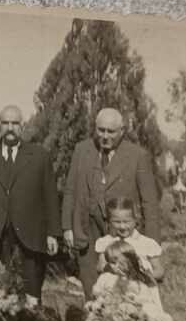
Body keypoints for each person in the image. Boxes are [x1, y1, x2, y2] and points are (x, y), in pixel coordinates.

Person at [61, 107, 162, 299]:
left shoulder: (137, 156)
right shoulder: (82, 150)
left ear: (122, 131)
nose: (104, 136)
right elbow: (70, 191)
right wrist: (67, 226)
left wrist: (152, 243)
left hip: (122, 234)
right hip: (87, 231)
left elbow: (150, 203)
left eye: (110, 131)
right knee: (92, 289)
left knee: (125, 290)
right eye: (100, 130)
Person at [0, 105, 59, 302]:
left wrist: (53, 233)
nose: (10, 128)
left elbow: (50, 196)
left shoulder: (39, 156)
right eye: (5, 123)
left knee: (31, 293)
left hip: (30, 236)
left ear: (21, 126)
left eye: (15, 123)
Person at [93, 197, 165, 287]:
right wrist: (111, 268)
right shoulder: (106, 242)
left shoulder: (147, 243)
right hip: (114, 290)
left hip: (141, 291)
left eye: (126, 222)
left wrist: (142, 276)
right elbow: (100, 266)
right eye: (117, 222)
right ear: (109, 222)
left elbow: (159, 271)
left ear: (135, 220)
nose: (122, 226)